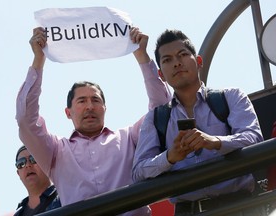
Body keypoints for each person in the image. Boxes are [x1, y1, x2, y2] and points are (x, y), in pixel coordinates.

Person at [15, 26, 170, 215]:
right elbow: (25, 120)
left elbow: (162, 110)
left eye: (96, 100)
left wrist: (141, 55)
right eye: (81, 101)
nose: (89, 106)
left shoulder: (130, 137)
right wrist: (38, 59)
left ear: (105, 108)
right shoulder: (55, 151)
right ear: (68, 112)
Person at [132, 29, 265, 216]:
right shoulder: (155, 119)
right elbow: (138, 172)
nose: (177, 63)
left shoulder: (231, 96)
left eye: (183, 54)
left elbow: (254, 139)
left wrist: (214, 141)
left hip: (241, 207)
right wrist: (170, 157)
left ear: (199, 61)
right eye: (167, 59)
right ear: (161, 74)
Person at [14, 145, 61, 215]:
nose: (27, 165)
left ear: (47, 164)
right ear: (18, 174)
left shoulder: (65, 197)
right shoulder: (19, 213)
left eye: (33, 159)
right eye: (21, 163)